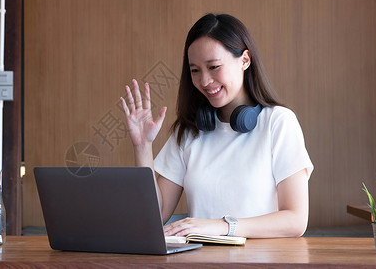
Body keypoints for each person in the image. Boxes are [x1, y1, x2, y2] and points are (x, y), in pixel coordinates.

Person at [120, 13, 314, 238]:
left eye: (213, 67)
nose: (204, 81)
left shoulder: (278, 123)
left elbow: (296, 220)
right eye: (195, 70)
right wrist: (143, 147)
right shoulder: (189, 131)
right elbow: (153, 215)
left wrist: (221, 226)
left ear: (245, 60)